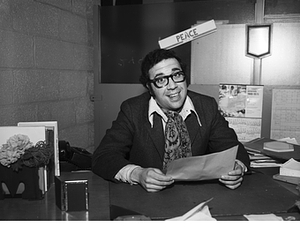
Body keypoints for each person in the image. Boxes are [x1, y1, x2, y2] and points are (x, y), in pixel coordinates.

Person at [92, 49, 250, 192]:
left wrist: (236, 167)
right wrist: (137, 174)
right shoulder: (133, 110)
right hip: (148, 200)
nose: (173, 85)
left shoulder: (206, 106)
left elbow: (234, 150)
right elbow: (103, 156)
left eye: (176, 75)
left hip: (197, 196)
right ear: (149, 87)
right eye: (161, 80)